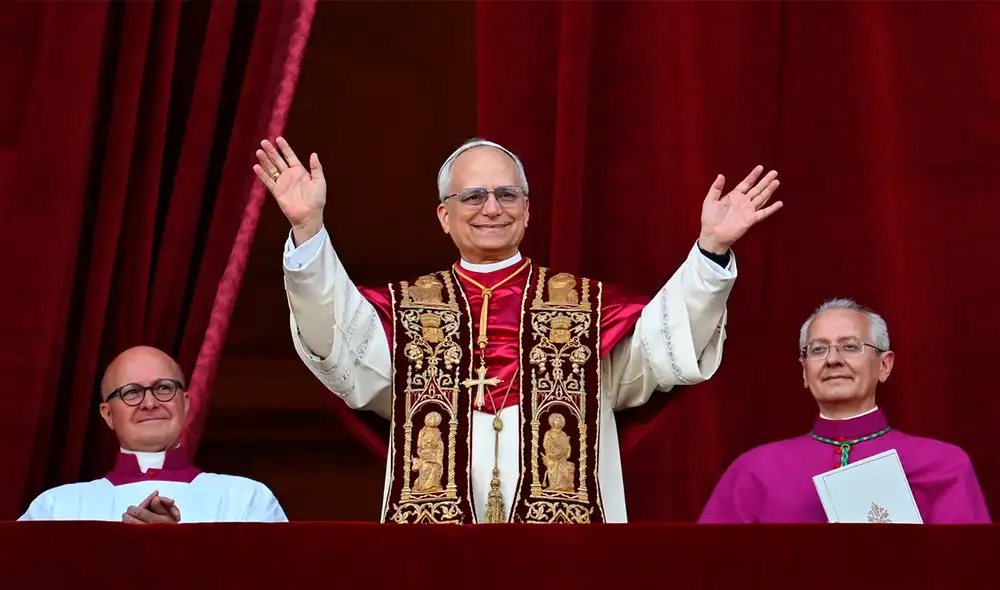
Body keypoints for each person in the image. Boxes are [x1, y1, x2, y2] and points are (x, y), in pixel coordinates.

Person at [255, 136, 782, 524]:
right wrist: (308, 230)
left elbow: (665, 344)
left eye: (507, 195)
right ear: (443, 215)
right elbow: (336, 342)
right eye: (474, 196)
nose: (492, 208)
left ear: (528, 211)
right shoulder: (406, 309)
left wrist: (710, 250)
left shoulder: (586, 308)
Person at [698, 298, 991, 524]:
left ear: (884, 365)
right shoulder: (753, 471)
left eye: (850, 346)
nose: (833, 360)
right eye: (818, 349)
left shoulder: (943, 466)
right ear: (804, 371)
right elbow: (707, 571)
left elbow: (970, 572)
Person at [19, 346, 287, 523]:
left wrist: (180, 552)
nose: (149, 403)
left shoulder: (247, 500)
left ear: (186, 404)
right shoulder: (56, 509)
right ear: (108, 414)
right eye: (132, 392)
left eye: (163, 388)